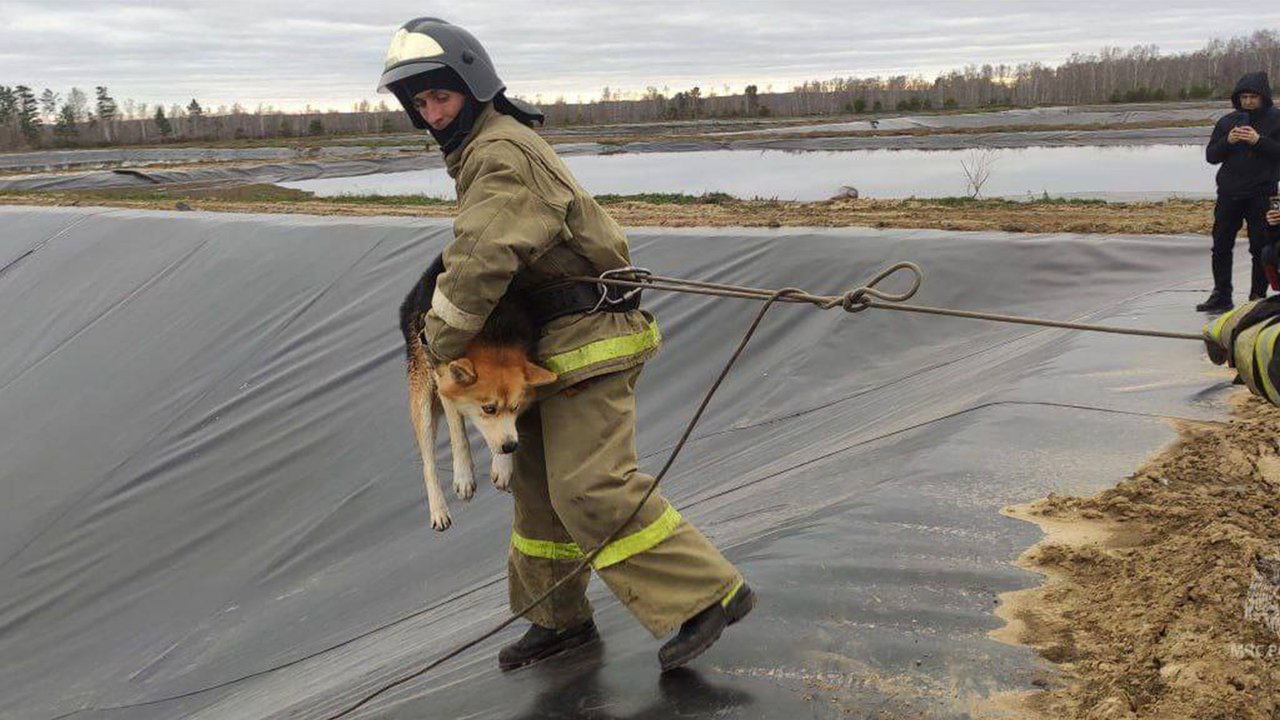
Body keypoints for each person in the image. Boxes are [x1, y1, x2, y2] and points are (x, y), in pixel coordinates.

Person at [376, 18, 754, 673]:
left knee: (586, 486)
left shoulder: (500, 154)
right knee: (536, 494)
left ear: (472, 85)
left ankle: (707, 595)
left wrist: (439, 342)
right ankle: (558, 621)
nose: (432, 113)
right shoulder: (479, 151)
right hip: (546, 342)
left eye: (441, 97)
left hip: (587, 340)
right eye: (421, 104)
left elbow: (481, 256)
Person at [1199, 72, 1280, 313]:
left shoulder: (1277, 120)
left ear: (1263, 97)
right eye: (1243, 97)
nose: (1248, 101)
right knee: (1221, 244)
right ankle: (1221, 294)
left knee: (1261, 246)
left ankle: (1257, 295)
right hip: (1229, 193)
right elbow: (1211, 156)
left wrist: (1258, 140)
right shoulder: (1227, 122)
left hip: (1262, 194)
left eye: (1253, 97)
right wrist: (1228, 140)